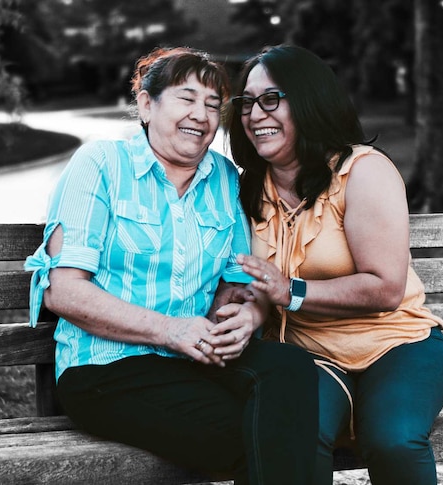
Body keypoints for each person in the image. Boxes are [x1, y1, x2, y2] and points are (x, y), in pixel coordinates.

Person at [23, 46, 318, 484]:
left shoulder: (224, 178)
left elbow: (236, 282)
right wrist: (170, 330)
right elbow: (64, 290)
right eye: (187, 98)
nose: (201, 114)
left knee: (290, 370)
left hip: (193, 358)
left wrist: (238, 316)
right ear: (146, 104)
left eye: (213, 105)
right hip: (108, 368)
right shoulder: (100, 164)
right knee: (259, 435)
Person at [228, 44, 443, 485]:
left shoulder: (362, 171)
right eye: (247, 103)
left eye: (271, 99)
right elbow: (251, 283)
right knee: (292, 436)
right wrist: (239, 308)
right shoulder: (247, 189)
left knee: (394, 440)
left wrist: (290, 290)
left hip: (396, 347)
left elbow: (386, 288)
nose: (255, 114)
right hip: (308, 357)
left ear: (310, 100)